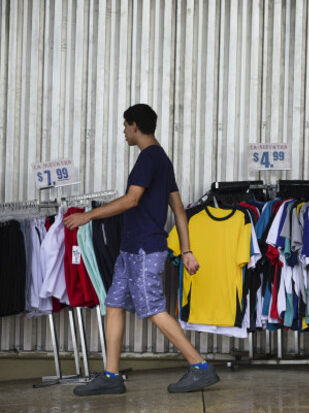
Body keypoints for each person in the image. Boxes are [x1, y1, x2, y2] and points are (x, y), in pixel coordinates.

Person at [63, 104, 220, 395]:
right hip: (131, 249)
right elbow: (179, 212)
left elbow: (131, 200)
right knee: (114, 304)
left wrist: (87, 216)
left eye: (125, 126)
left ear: (134, 125)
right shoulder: (162, 160)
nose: (123, 132)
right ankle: (111, 376)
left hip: (144, 249)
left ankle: (200, 366)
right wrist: (186, 251)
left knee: (153, 309)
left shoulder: (148, 159)